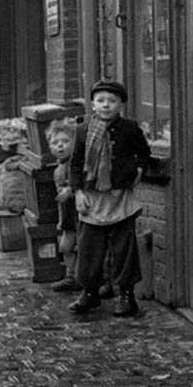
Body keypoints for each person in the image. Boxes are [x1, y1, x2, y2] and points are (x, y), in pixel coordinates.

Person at [68, 79, 150, 316]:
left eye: (112, 101)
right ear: (93, 104)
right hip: (92, 197)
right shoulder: (83, 130)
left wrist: (138, 171)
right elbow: (75, 164)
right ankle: (89, 293)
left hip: (118, 196)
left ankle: (126, 295)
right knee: (89, 248)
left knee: (124, 247)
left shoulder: (129, 129)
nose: (106, 105)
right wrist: (78, 192)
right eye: (101, 100)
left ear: (121, 105)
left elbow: (143, 152)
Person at [46, 119, 82, 292]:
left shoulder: (76, 164)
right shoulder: (57, 170)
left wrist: (70, 190)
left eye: (65, 141)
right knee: (65, 247)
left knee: (84, 246)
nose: (60, 146)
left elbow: (84, 182)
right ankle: (70, 276)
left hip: (81, 212)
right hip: (67, 215)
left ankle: (88, 278)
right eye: (55, 143)